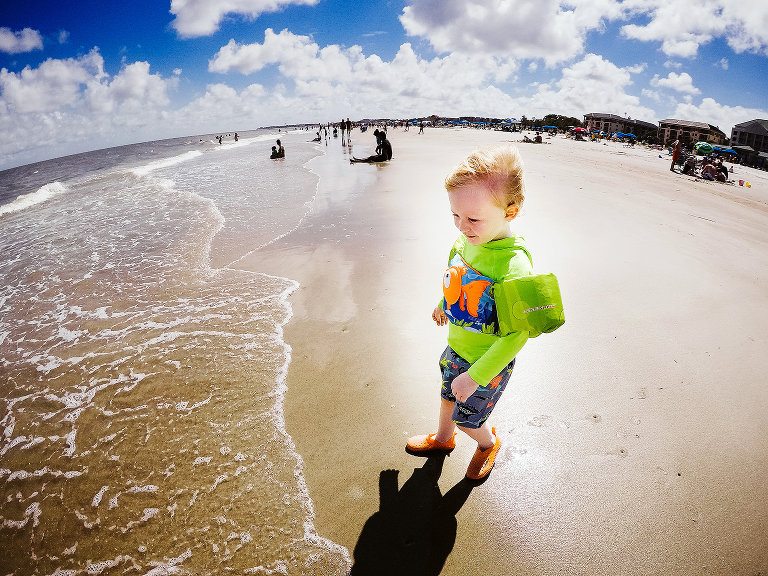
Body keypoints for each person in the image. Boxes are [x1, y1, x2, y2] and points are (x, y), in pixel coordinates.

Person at [405, 145, 534, 481]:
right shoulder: (467, 241)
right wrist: (443, 302)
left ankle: (487, 444)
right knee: (447, 396)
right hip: (456, 347)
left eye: (473, 218)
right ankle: (443, 440)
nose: (461, 226)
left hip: (487, 363)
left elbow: (517, 335)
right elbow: (457, 277)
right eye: (455, 216)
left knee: (468, 417)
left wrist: (475, 376)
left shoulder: (514, 265)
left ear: (510, 212)